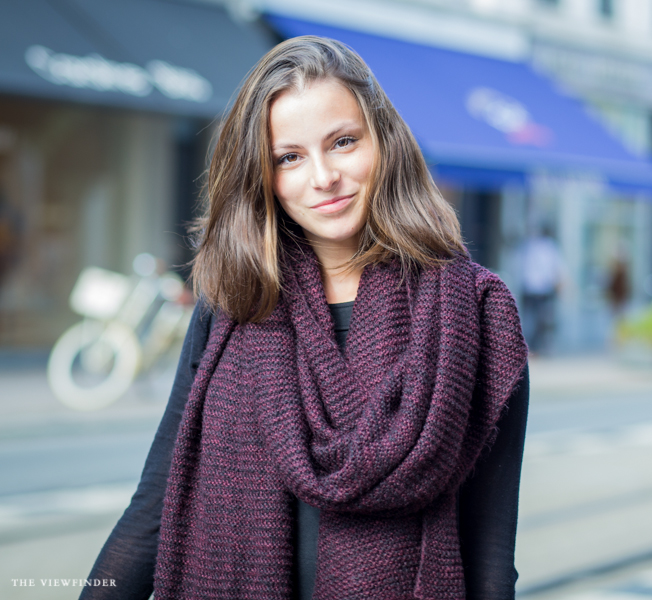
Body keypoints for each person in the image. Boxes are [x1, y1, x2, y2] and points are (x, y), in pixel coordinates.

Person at [81, 37, 529, 600]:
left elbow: (490, 548)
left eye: (342, 142)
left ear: (383, 142)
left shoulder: (474, 312)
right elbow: (154, 508)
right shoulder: (234, 305)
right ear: (262, 176)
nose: (323, 177)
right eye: (288, 157)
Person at [519, 225, 562, 355]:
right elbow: (554, 269)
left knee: (530, 319)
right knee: (539, 320)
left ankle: (530, 348)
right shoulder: (549, 247)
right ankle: (535, 348)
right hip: (541, 289)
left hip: (530, 288)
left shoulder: (529, 245)